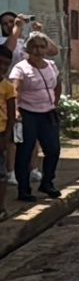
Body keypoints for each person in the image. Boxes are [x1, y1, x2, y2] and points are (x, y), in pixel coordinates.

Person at [9, 32, 62, 202]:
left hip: (47, 113)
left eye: (41, 46)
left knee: (53, 149)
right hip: (28, 113)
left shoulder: (51, 65)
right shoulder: (21, 68)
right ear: (28, 49)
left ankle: (47, 183)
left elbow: (57, 85)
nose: (38, 50)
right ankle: (24, 189)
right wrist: (16, 110)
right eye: (34, 47)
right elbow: (15, 90)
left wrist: (55, 103)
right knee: (25, 152)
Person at [0, 48, 14, 217]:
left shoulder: (8, 87)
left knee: (1, 174)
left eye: (6, 64)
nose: (2, 67)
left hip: (1, 134)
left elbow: (11, 116)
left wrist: (6, 137)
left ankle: (1, 208)